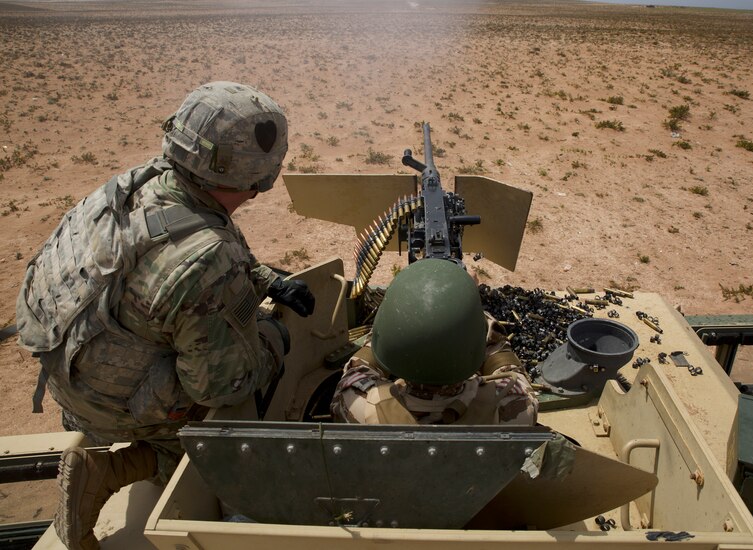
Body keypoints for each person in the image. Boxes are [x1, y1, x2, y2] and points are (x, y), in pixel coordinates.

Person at [15, 82, 315, 550]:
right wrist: (273, 342)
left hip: (70, 368)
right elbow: (218, 387)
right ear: (258, 177)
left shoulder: (144, 184)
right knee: (235, 427)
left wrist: (263, 279)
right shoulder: (207, 261)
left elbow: (175, 259)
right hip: (109, 402)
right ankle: (115, 467)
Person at [331, 259, 537, 425]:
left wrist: (403, 306)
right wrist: (469, 305)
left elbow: (359, 367)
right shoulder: (514, 409)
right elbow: (510, 368)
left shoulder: (357, 406)